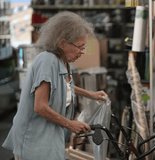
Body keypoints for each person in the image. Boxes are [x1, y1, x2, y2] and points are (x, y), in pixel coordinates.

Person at [2, 11, 108, 160]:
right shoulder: (47, 61)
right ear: (62, 43)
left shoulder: (61, 61)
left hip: (49, 135)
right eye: (80, 47)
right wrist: (70, 124)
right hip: (34, 139)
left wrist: (90, 94)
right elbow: (40, 106)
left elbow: (63, 86)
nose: (82, 52)